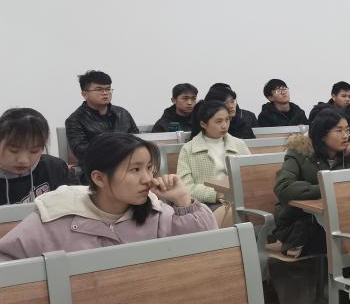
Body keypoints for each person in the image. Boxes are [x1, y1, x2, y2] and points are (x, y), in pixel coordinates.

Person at [0, 132, 215, 261]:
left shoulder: (155, 213)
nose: (148, 179)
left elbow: (208, 251)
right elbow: (7, 262)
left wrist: (183, 201)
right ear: (99, 178)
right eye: (135, 170)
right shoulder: (55, 215)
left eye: (149, 168)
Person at [267, 109, 350, 259]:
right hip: (302, 221)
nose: (345, 135)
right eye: (339, 130)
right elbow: (283, 187)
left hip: (341, 220)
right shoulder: (300, 153)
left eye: (347, 130)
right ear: (322, 134)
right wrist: (329, 189)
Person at [175, 100, 251, 228]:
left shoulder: (239, 144)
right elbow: (185, 187)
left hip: (239, 199)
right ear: (203, 124)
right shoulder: (189, 149)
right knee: (233, 213)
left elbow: (251, 176)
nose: (224, 125)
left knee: (245, 209)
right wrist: (216, 195)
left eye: (227, 120)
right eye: (218, 121)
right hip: (206, 204)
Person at [0, 108, 76, 205]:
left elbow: (74, 202)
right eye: (14, 151)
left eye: (34, 151)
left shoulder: (54, 168)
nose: (23, 160)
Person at [65, 70, 139, 163]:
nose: (105, 93)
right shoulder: (75, 120)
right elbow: (82, 152)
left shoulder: (122, 113)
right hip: (97, 167)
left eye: (108, 89)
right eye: (99, 89)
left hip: (128, 163)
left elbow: (137, 140)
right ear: (84, 94)